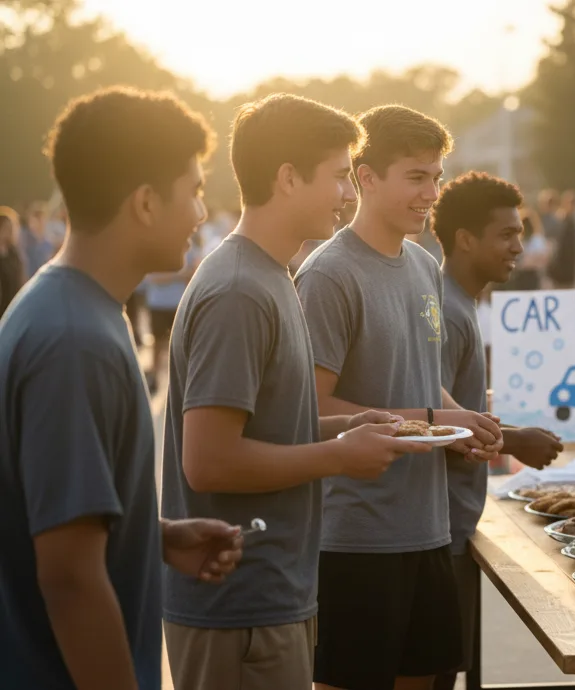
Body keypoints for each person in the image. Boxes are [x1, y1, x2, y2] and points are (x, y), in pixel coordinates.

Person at [161, 94, 430, 690]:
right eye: (338, 176)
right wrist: (338, 456)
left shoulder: (272, 274)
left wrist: (351, 429)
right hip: (239, 605)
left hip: (273, 595)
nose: (345, 194)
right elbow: (207, 462)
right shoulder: (239, 290)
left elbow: (271, 428)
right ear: (287, 178)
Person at [0, 86, 244, 690]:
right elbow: (70, 579)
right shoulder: (71, 339)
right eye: (193, 191)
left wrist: (151, 535)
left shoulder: (76, 308)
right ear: (143, 203)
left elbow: (47, 512)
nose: (198, 214)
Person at [294, 104, 504, 690]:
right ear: (366, 177)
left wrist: (465, 423)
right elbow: (312, 411)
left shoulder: (421, 264)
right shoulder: (328, 275)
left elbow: (416, 378)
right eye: (416, 177)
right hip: (356, 538)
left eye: (436, 177)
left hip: (429, 527)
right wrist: (437, 417)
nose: (431, 193)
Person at [428, 171, 565, 690]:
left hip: (454, 525)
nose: (519, 246)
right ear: (465, 239)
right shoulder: (444, 309)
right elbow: (427, 422)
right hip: (437, 531)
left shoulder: (461, 303)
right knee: (436, 673)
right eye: (506, 234)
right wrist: (513, 439)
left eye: (520, 231)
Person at [142, 234, 202, 392]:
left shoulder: (189, 248)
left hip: (179, 304)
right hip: (158, 304)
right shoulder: (155, 249)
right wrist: (178, 275)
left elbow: (195, 274)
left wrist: (170, 276)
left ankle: (180, 381)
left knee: (181, 346)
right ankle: (154, 378)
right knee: (158, 343)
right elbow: (152, 278)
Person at [0, 206, 26, 317]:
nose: (9, 232)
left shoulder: (14, 253)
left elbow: (21, 277)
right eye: (6, 228)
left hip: (13, 304)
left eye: (11, 228)